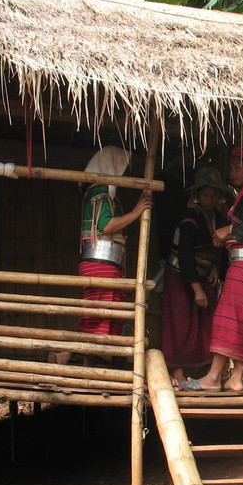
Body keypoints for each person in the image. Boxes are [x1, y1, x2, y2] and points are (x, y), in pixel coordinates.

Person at [52, 146, 152, 366]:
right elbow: (106, 226)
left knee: (99, 315)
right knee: (99, 315)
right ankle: (66, 355)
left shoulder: (99, 194)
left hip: (106, 261)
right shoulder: (101, 194)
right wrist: (136, 212)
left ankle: (84, 364)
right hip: (102, 262)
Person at [188, 144, 243, 393]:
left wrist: (229, 231)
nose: (233, 170)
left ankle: (214, 377)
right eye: (232, 166)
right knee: (240, 320)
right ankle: (235, 378)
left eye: (239, 165)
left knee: (227, 318)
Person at [165, 166, 230, 388]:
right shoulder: (189, 217)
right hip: (180, 274)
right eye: (205, 195)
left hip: (203, 274)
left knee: (208, 322)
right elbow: (184, 254)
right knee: (180, 323)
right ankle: (179, 374)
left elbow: (219, 248)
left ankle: (206, 375)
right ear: (197, 195)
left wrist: (214, 268)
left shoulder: (219, 218)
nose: (209, 200)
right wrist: (195, 288)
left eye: (213, 195)